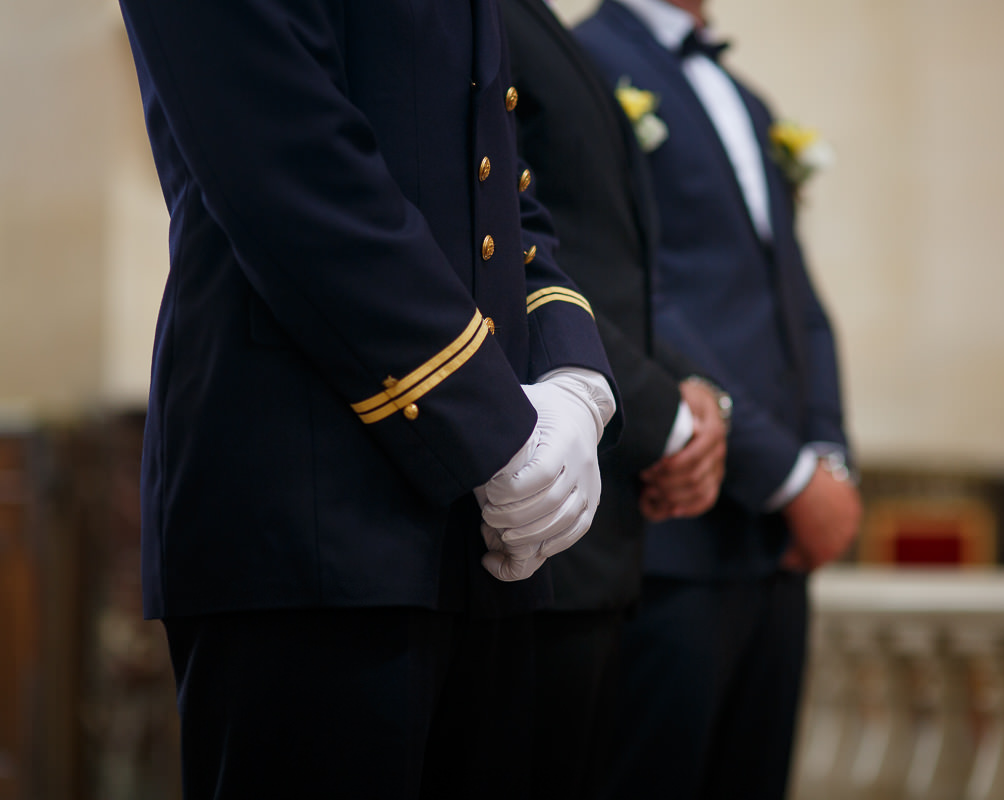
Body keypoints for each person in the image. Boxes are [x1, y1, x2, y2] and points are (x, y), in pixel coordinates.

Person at [115, 1, 620, 797]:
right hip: (310, 513)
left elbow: (499, 184)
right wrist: (493, 426)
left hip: (474, 537)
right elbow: (288, 163)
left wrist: (572, 377)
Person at [574, 1, 862, 798]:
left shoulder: (747, 99)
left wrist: (828, 456)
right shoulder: (585, 63)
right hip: (671, 530)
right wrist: (790, 476)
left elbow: (796, 300)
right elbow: (627, 297)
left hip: (775, 549)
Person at [498, 1, 728, 798]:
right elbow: (500, 250)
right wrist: (664, 415)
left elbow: (597, 272)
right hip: (539, 504)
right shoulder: (492, 20)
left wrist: (683, 400)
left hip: (602, 526)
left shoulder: (538, 25)